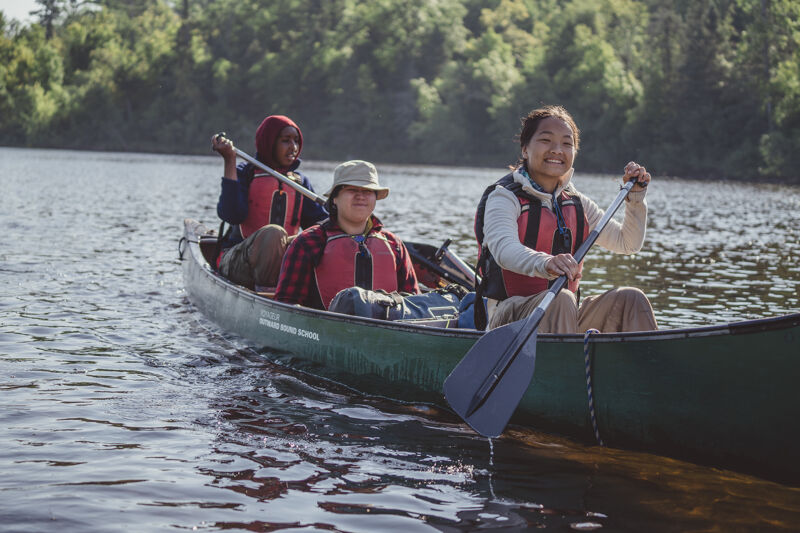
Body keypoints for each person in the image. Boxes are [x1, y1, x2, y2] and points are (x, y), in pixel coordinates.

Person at [474, 105, 658, 333]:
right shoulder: (503, 197)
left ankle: (647, 365)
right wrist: (546, 262)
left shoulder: (577, 202)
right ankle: (567, 365)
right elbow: (504, 249)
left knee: (631, 299)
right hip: (508, 319)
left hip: (562, 313)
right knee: (559, 299)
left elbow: (627, 243)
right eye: (546, 140)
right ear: (524, 149)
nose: (557, 150)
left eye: (567, 143)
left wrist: (636, 200)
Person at [275, 160, 420, 310]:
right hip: (325, 328)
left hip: (385, 329)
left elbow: (415, 304)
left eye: (368, 191)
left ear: (375, 198)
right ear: (335, 198)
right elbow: (286, 305)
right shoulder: (308, 242)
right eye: (352, 190)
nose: (361, 196)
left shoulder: (394, 244)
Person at [211, 115, 327, 290]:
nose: (293, 147)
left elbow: (320, 224)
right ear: (269, 142)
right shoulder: (244, 172)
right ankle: (269, 297)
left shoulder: (300, 182)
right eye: (285, 141)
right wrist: (230, 160)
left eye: (296, 141)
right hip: (237, 260)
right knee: (274, 233)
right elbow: (231, 214)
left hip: (283, 266)